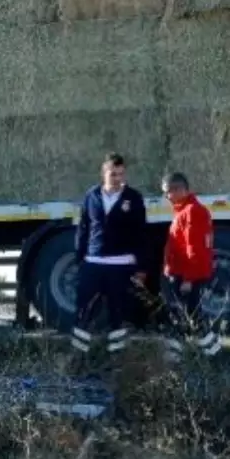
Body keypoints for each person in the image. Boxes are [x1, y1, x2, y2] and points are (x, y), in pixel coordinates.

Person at [72, 153, 149, 360]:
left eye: (121, 174)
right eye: (113, 174)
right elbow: (83, 228)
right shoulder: (91, 196)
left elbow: (141, 233)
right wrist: (80, 259)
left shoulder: (133, 198)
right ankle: (79, 358)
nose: (118, 179)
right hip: (93, 263)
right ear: (103, 173)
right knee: (84, 311)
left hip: (121, 265)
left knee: (119, 313)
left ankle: (118, 360)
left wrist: (141, 267)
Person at [161, 172, 218, 360]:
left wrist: (188, 279)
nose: (166, 197)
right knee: (184, 315)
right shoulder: (184, 211)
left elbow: (194, 249)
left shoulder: (192, 212)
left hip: (186, 276)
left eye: (168, 192)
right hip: (181, 273)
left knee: (189, 316)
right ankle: (179, 356)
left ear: (178, 190)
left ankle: (211, 354)